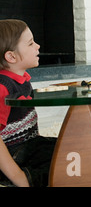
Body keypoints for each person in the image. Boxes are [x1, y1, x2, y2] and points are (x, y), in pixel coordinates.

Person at [0, 19, 57, 187]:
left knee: (70, 148)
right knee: (65, 161)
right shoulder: (3, 87)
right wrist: (18, 177)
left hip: (28, 145)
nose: (37, 46)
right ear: (11, 56)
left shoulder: (22, 80)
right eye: (31, 43)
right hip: (13, 157)